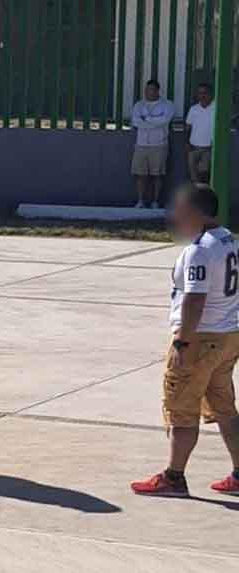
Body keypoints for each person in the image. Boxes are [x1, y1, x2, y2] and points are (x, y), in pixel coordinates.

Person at [132, 184, 239, 496]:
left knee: (181, 408)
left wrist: (182, 343)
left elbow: (194, 300)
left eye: (180, 208)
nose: (176, 214)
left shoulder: (200, 250)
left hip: (199, 339)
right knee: (225, 408)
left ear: (195, 211)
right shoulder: (228, 240)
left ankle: (174, 476)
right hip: (227, 337)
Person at [131, 79, 174, 208]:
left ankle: (155, 201)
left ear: (157, 91)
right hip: (141, 144)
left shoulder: (167, 105)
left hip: (159, 144)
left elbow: (164, 120)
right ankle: (140, 201)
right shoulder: (139, 105)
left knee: (157, 175)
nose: (147, 92)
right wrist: (154, 122)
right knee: (140, 174)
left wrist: (147, 119)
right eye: (146, 89)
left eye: (150, 89)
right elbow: (136, 122)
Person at [185, 83, 216, 184]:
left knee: (204, 174)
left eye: (205, 93)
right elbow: (188, 127)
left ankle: (205, 197)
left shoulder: (217, 108)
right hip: (193, 148)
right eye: (200, 93)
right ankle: (198, 198)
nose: (202, 95)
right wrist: (187, 142)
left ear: (211, 94)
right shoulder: (194, 109)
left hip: (209, 148)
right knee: (193, 176)